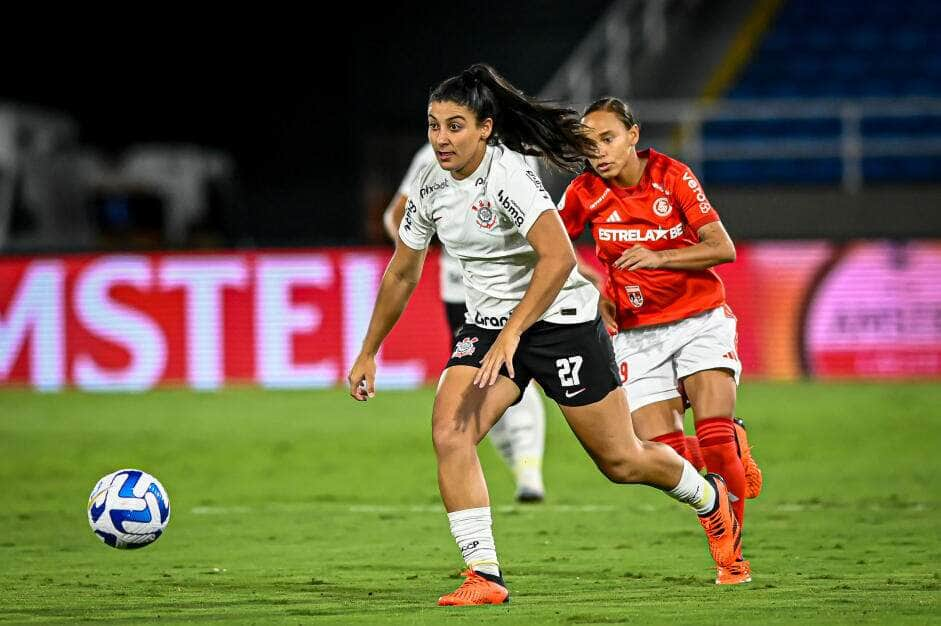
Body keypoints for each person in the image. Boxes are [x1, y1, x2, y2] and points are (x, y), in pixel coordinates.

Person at [348, 64, 740, 606]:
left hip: (561, 325)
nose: (441, 138)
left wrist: (514, 334)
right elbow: (402, 270)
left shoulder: (507, 176)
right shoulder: (430, 184)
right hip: (489, 327)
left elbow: (558, 258)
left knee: (622, 461)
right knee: (450, 432)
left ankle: (709, 497)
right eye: (434, 125)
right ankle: (483, 574)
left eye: (455, 125)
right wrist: (369, 350)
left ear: (485, 129)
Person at [558, 97, 763, 585]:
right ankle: (732, 451)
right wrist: (594, 286)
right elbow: (553, 246)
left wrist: (659, 257)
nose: (599, 153)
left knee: (712, 436)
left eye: (608, 139)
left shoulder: (672, 176)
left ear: (633, 134)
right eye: (589, 145)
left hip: (699, 319)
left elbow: (723, 248)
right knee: (660, 451)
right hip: (635, 334)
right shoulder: (584, 191)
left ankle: (732, 558)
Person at [383, 143, 547, 502]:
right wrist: (421, 245)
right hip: (463, 293)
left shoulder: (517, 156)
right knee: (481, 379)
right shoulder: (431, 158)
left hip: (518, 285)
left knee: (517, 372)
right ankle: (522, 469)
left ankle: (530, 472)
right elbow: (395, 216)